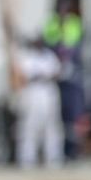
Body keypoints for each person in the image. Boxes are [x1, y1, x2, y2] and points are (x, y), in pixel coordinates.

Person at [43, 0, 85, 160]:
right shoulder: (50, 22)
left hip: (70, 75)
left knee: (72, 113)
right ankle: (58, 151)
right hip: (54, 75)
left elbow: (76, 46)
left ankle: (71, 150)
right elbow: (48, 43)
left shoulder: (74, 23)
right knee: (55, 115)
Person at [14, 35, 63, 169]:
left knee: (51, 126)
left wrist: (44, 76)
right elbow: (21, 76)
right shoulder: (26, 57)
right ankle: (28, 159)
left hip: (47, 92)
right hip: (32, 93)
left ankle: (53, 158)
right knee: (29, 127)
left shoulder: (49, 56)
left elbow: (57, 72)